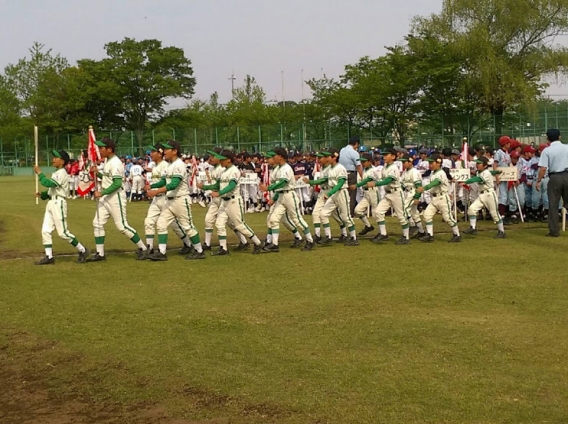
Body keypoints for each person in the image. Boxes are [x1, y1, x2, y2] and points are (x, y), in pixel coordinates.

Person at [86, 138, 149, 262]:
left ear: (109, 149)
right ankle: (100, 253)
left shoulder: (115, 162)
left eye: (101, 148)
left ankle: (143, 248)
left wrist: (101, 192)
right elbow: (107, 179)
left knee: (122, 226)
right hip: (106, 196)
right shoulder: (108, 161)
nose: (99, 150)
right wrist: (98, 174)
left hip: (115, 196)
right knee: (97, 223)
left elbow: (117, 183)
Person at [145, 141, 205, 261]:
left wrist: (156, 192)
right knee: (161, 223)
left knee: (188, 227)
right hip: (170, 200)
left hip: (181, 200)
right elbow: (165, 181)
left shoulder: (179, 165)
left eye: (167, 149)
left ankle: (199, 250)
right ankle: (162, 253)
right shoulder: (170, 165)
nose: (164, 151)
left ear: (175, 151)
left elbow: (173, 184)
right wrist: (152, 186)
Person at [33, 150, 89, 265]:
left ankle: (82, 250)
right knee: (45, 230)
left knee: (63, 232)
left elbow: (50, 184)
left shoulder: (62, 172)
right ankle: (49, 256)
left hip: (59, 204)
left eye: (56, 157)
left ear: (62, 161)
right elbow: (50, 191)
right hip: (52, 203)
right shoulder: (56, 172)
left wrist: (40, 173)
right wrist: (42, 195)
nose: (53, 159)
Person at [260, 147, 315, 252]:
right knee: (273, 219)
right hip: (281, 196)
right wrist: (275, 197)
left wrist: (269, 188)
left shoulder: (286, 168)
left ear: (280, 157)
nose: (272, 157)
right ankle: (274, 244)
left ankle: (310, 241)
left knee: (297, 219)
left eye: (274, 155)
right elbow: (279, 188)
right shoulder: (279, 168)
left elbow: (283, 183)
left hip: (289, 196)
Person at [209, 150, 264, 254]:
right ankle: (223, 249)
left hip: (234, 201)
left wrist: (219, 193)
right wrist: (205, 187)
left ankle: (258, 243)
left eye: (222, 159)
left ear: (229, 159)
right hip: (225, 202)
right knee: (219, 223)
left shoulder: (234, 170)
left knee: (239, 225)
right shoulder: (224, 171)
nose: (220, 161)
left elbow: (232, 185)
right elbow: (217, 185)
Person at [368, 148, 410, 245]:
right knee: (378, 212)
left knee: (401, 216)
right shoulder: (385, 167)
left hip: (396, 194)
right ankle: (383, 234)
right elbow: (381, 178)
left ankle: (406, 237)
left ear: (393, 156)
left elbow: (388, 180)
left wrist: (376, 184)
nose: (384, 156)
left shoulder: (394, 168)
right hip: (388, 194)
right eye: (384, 154)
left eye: (387, 154)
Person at [415, 154, 462, 243]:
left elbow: (436, 182)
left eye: (432, 163)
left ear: (438, 163)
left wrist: (424, 188)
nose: (430, 164)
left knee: (448, 218)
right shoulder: (433, 172)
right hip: (435, 198)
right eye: (429, 163)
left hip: (442, 198)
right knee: (427, 215)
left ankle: (457, 235)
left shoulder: (441, 172)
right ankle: (430, 235)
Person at [321, 148, 359, 246]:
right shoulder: (330, 168)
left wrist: (329, 193)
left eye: (328, 156)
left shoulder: (340, 168)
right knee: (323, 214)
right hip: (333, 193)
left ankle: (353, 238)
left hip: (341, 192)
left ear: (334, 157)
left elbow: (340, 183)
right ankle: (328, 237)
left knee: (346, 217)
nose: (326, 158)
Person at [461, 156, 505, 238]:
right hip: (482, 195)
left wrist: (466, 182)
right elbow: (489, 173)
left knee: (494, 214)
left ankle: (501, 231)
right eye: (477, 163)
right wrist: (496, 172)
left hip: (489, 194)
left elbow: (478, 179)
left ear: (485, 165)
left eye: (479, 163)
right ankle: (473, 228)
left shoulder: (485, 173)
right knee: (471, 209)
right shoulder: (482, 172)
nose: (477, 165)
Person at [537, 129, 568, 237]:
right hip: (567, 175)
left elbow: (543, 168)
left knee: (553, 205)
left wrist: (539, 180)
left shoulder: (547, 150)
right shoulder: (567, 147)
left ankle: (554, 231)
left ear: (548, 138)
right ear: (559, 137)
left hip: (555, 177)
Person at [351, 153, 380, 235]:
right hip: (366, 193)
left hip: (373, 192)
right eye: (361, 162)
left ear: (370, 161)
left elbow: (368, 179)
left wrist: (356, 185)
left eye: (364, 161)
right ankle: (368, 226)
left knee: (376, 213)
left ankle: (382, 232)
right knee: (358, 210)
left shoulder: (373, 170)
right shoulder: (365, 170)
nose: (362, 163)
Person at [339, 136, 363, 217]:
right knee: (352, 194)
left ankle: (343, 212)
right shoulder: (354, 153)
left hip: (342, 174)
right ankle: (350, 213)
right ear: (356, 144)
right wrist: (362, 176)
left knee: (343, 194)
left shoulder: (342, 150)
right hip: (351, 174)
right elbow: (358, 166)